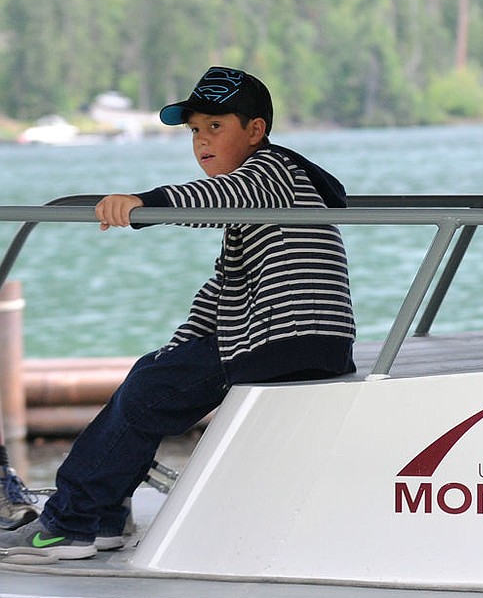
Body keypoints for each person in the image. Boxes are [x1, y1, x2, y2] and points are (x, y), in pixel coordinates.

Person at [0, 67, 356, 561]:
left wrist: (144, 204)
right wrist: (174, 349)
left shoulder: (269, 173)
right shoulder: (260, 197)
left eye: (216, 127)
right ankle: (100, 515)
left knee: (146, 396)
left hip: (282, 337)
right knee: (153, 374)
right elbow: (223, 290)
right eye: (194, 131)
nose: (202, 142)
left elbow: (212, 199)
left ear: (255, 131)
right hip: (284, 336)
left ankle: (71, 524)